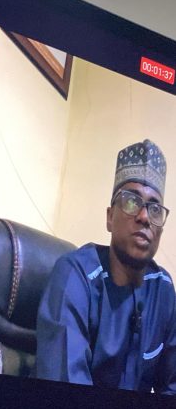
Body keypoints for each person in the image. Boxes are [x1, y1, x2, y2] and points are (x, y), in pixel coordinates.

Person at [36, 139, 176, 393]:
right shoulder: (74, 276)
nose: (144, 216)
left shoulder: (162, 289)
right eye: (132, 201)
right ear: (110, 217)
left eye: (155, 209)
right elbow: (67, 397)